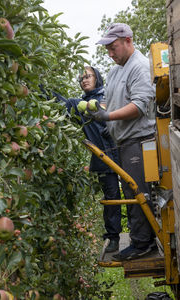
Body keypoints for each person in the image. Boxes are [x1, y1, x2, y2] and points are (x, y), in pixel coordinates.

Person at [88, 23, 157, 261]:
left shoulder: (139, 67)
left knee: (137, 191)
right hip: (123, 142)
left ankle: (143, 243)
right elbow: (111, 103)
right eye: (107, 48)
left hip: (140, 140)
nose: (110, 53)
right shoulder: (115, 70)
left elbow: (138, 106)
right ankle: (141, 239)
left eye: (113, 47)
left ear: (128, 40)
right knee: (129, 190)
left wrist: (108, 117)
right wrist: (100, 112)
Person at [53, 66, 122, 253]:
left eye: (88, 76)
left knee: (135, 193)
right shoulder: (79, 106)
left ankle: (141, 235)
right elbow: (62, 105)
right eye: (81, 77)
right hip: (103, 158)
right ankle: (113, 237)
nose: (84, 80)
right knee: (112, 198)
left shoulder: (108, 96)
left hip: (123, 151)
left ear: (97, 78)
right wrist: (43, 90)